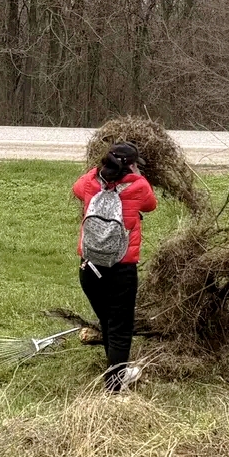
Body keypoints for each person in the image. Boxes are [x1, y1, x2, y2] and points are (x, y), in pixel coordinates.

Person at [72, 141, 158, 392]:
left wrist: (98, 171)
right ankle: (114, 386)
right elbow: (151, 205)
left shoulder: (90, 180)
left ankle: (116, 373)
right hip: (121, 269)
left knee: (108, 322)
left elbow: (77, 189)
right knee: (120, 328)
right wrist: (137, 176)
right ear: (132, 165)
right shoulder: (139, 186)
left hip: (90, 268)